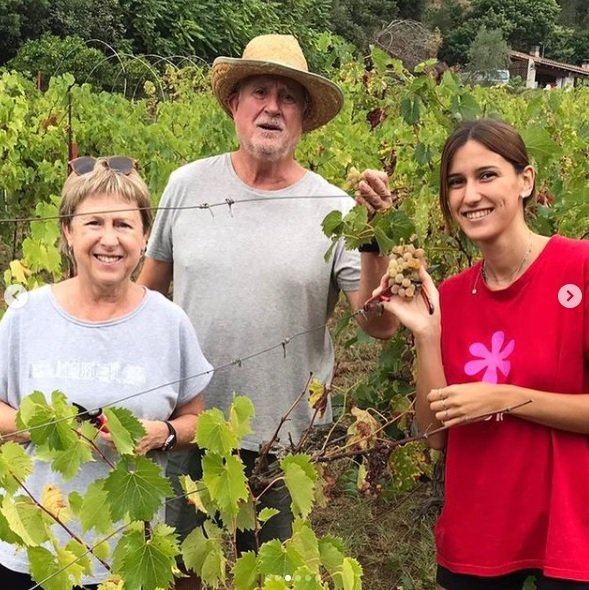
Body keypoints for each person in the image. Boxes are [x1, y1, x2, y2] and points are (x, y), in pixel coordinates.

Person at [138, 33, 397, 582]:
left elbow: (380, 325)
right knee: (183, 570)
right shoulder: (187, 184)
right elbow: (144, 293)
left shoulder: (336, 209)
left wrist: (374, 238)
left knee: (272, 574)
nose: (273, 107)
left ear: (304, 117)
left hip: (284, 438)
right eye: (260, 91)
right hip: (188, 426)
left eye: (289, 96)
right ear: (235, 104)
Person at [377, 119, 589, 589]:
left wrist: (503, 398)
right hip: (481, 531)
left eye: (486, 175)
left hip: (571, 531)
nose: (470, 195)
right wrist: (426, 334)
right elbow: (434, 434)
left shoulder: (581, 268)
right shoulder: (450, 297)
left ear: (526, 181)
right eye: (457, 182)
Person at [0, 156, 212, 589]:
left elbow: (198, 420)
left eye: (124, 225)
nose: (109, 240)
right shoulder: (26, 315)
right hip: (32, 553)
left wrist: (163, 434)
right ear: (68, 231)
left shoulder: (169, 323)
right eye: (94, 222)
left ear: (145, 236)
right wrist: (47, 427)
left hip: (129, 555)